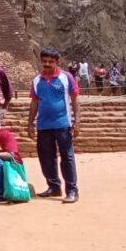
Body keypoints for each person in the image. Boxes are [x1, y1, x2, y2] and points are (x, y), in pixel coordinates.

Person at [27, 46, 80, 203]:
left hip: (63, 124)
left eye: (51, 62)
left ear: (57, 62)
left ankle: (72, 190)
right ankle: (53, 186)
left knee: (67, 157)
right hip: (43, 125)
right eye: (44, 61)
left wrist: (77, 121)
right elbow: (34, 102)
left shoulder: (66, 77)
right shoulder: (37, 80)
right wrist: (30, 123)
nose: (47, 64)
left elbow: (75, 99)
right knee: (46, 157)